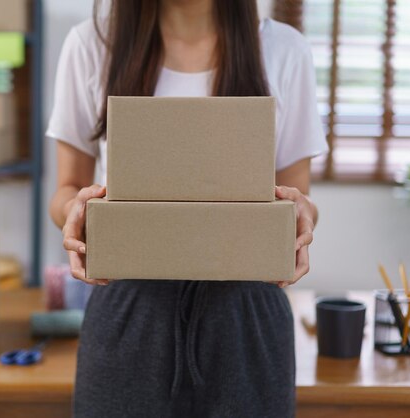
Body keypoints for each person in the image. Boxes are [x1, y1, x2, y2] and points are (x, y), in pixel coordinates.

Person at [47, 0, 328, 416]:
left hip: (244, 318)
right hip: (129, 311)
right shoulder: (91, 44)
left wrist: (302, 216)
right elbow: (66, 190)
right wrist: (76, 211)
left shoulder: (285, 49)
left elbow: (297, 200)